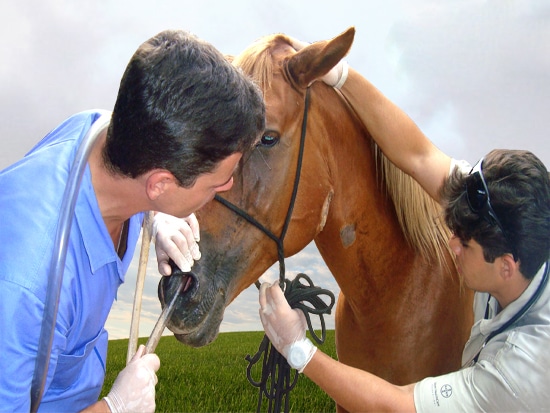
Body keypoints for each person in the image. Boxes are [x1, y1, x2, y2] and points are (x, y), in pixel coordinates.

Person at [258, 40, 550, 412]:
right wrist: (340, 76)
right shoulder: (501, 208)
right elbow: (419, 156)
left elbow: (397, 405)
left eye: (464, 244)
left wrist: (297, 348)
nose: (451, 245)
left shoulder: (525, 370)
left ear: (507, 265)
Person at [0, 29, 265, 412]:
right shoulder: (27, 286)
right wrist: (116, 406)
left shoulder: (98, 131)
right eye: (219, 180)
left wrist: (153, 216)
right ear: (161, 183)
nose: (227, 186)